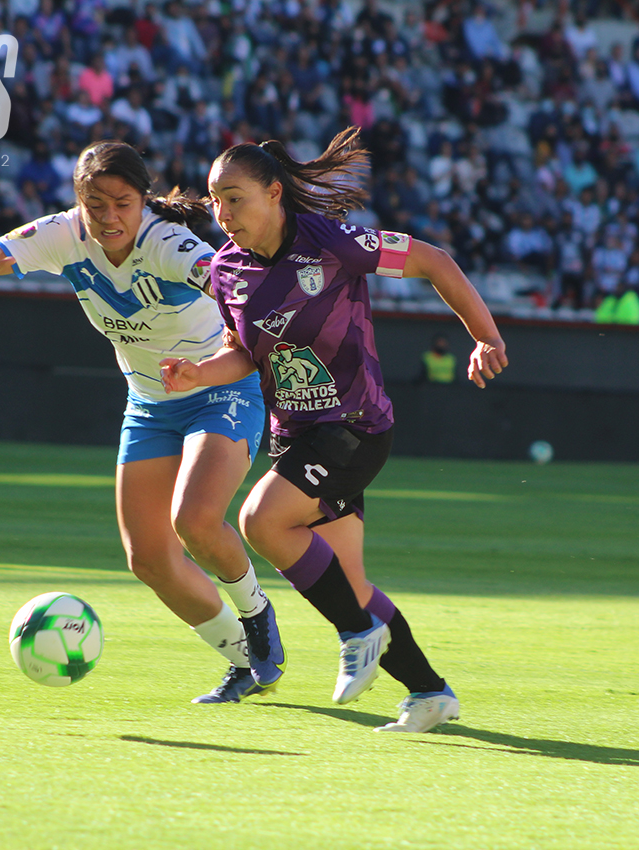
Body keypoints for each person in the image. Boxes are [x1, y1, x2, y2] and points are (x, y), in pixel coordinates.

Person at [160, 127, 508, 733]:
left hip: (354, 425)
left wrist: (487, 336)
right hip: (295, 434)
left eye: (235, 197)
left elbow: (433, 261)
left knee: (260, 521)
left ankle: (356, 633)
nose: (222, 213)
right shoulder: (225, 269)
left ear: (274, 193)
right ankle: (429, 692)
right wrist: (198, 373)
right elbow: (243, 351)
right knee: (350, 582)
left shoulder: (332, 242)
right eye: (215, 200)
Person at [0, 140, 285, 705]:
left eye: (123, 203)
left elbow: (229, 284)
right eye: (96, 203)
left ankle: (257, 617)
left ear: (143, 200)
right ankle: (245, 665)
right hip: (150, 402)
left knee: (196, 523)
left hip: (220, 388)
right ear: (79, 200)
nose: (109, 217)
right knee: (149, 558)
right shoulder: (62, 234)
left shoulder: (166, 242)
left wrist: (227, 347)